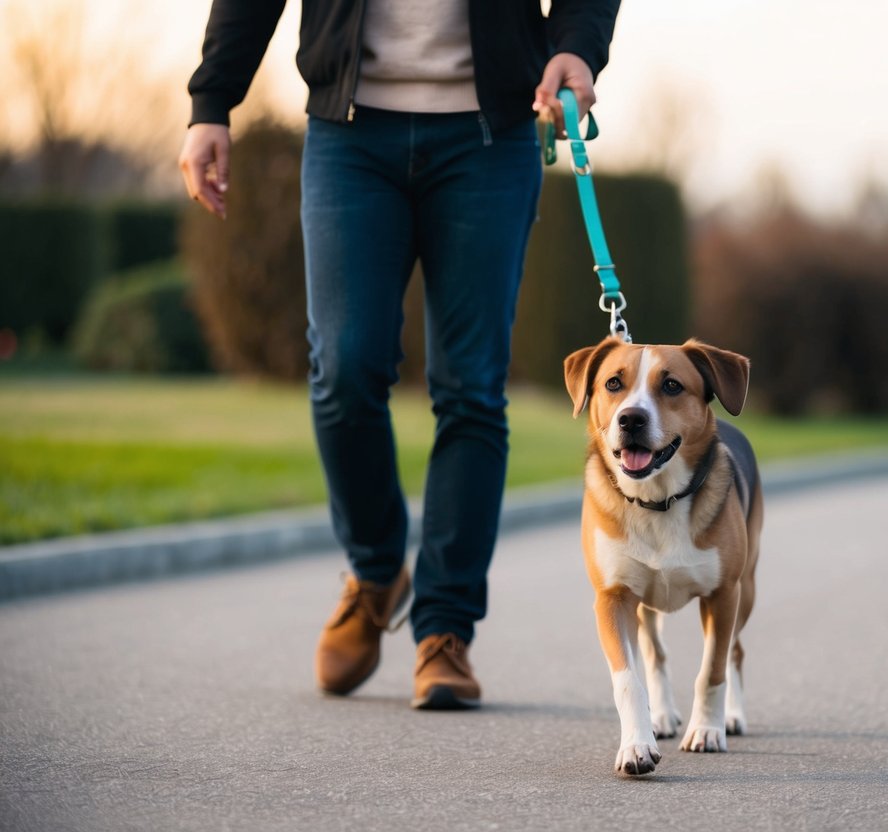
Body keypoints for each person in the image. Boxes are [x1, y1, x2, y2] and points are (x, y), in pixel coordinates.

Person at [179, 0, 621, 709]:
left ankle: (443, 630)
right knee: (344, 369)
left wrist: (577, 46)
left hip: (490, 135)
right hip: (350, 134)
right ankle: (376, 570)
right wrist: (211, 102)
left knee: (471, 387)